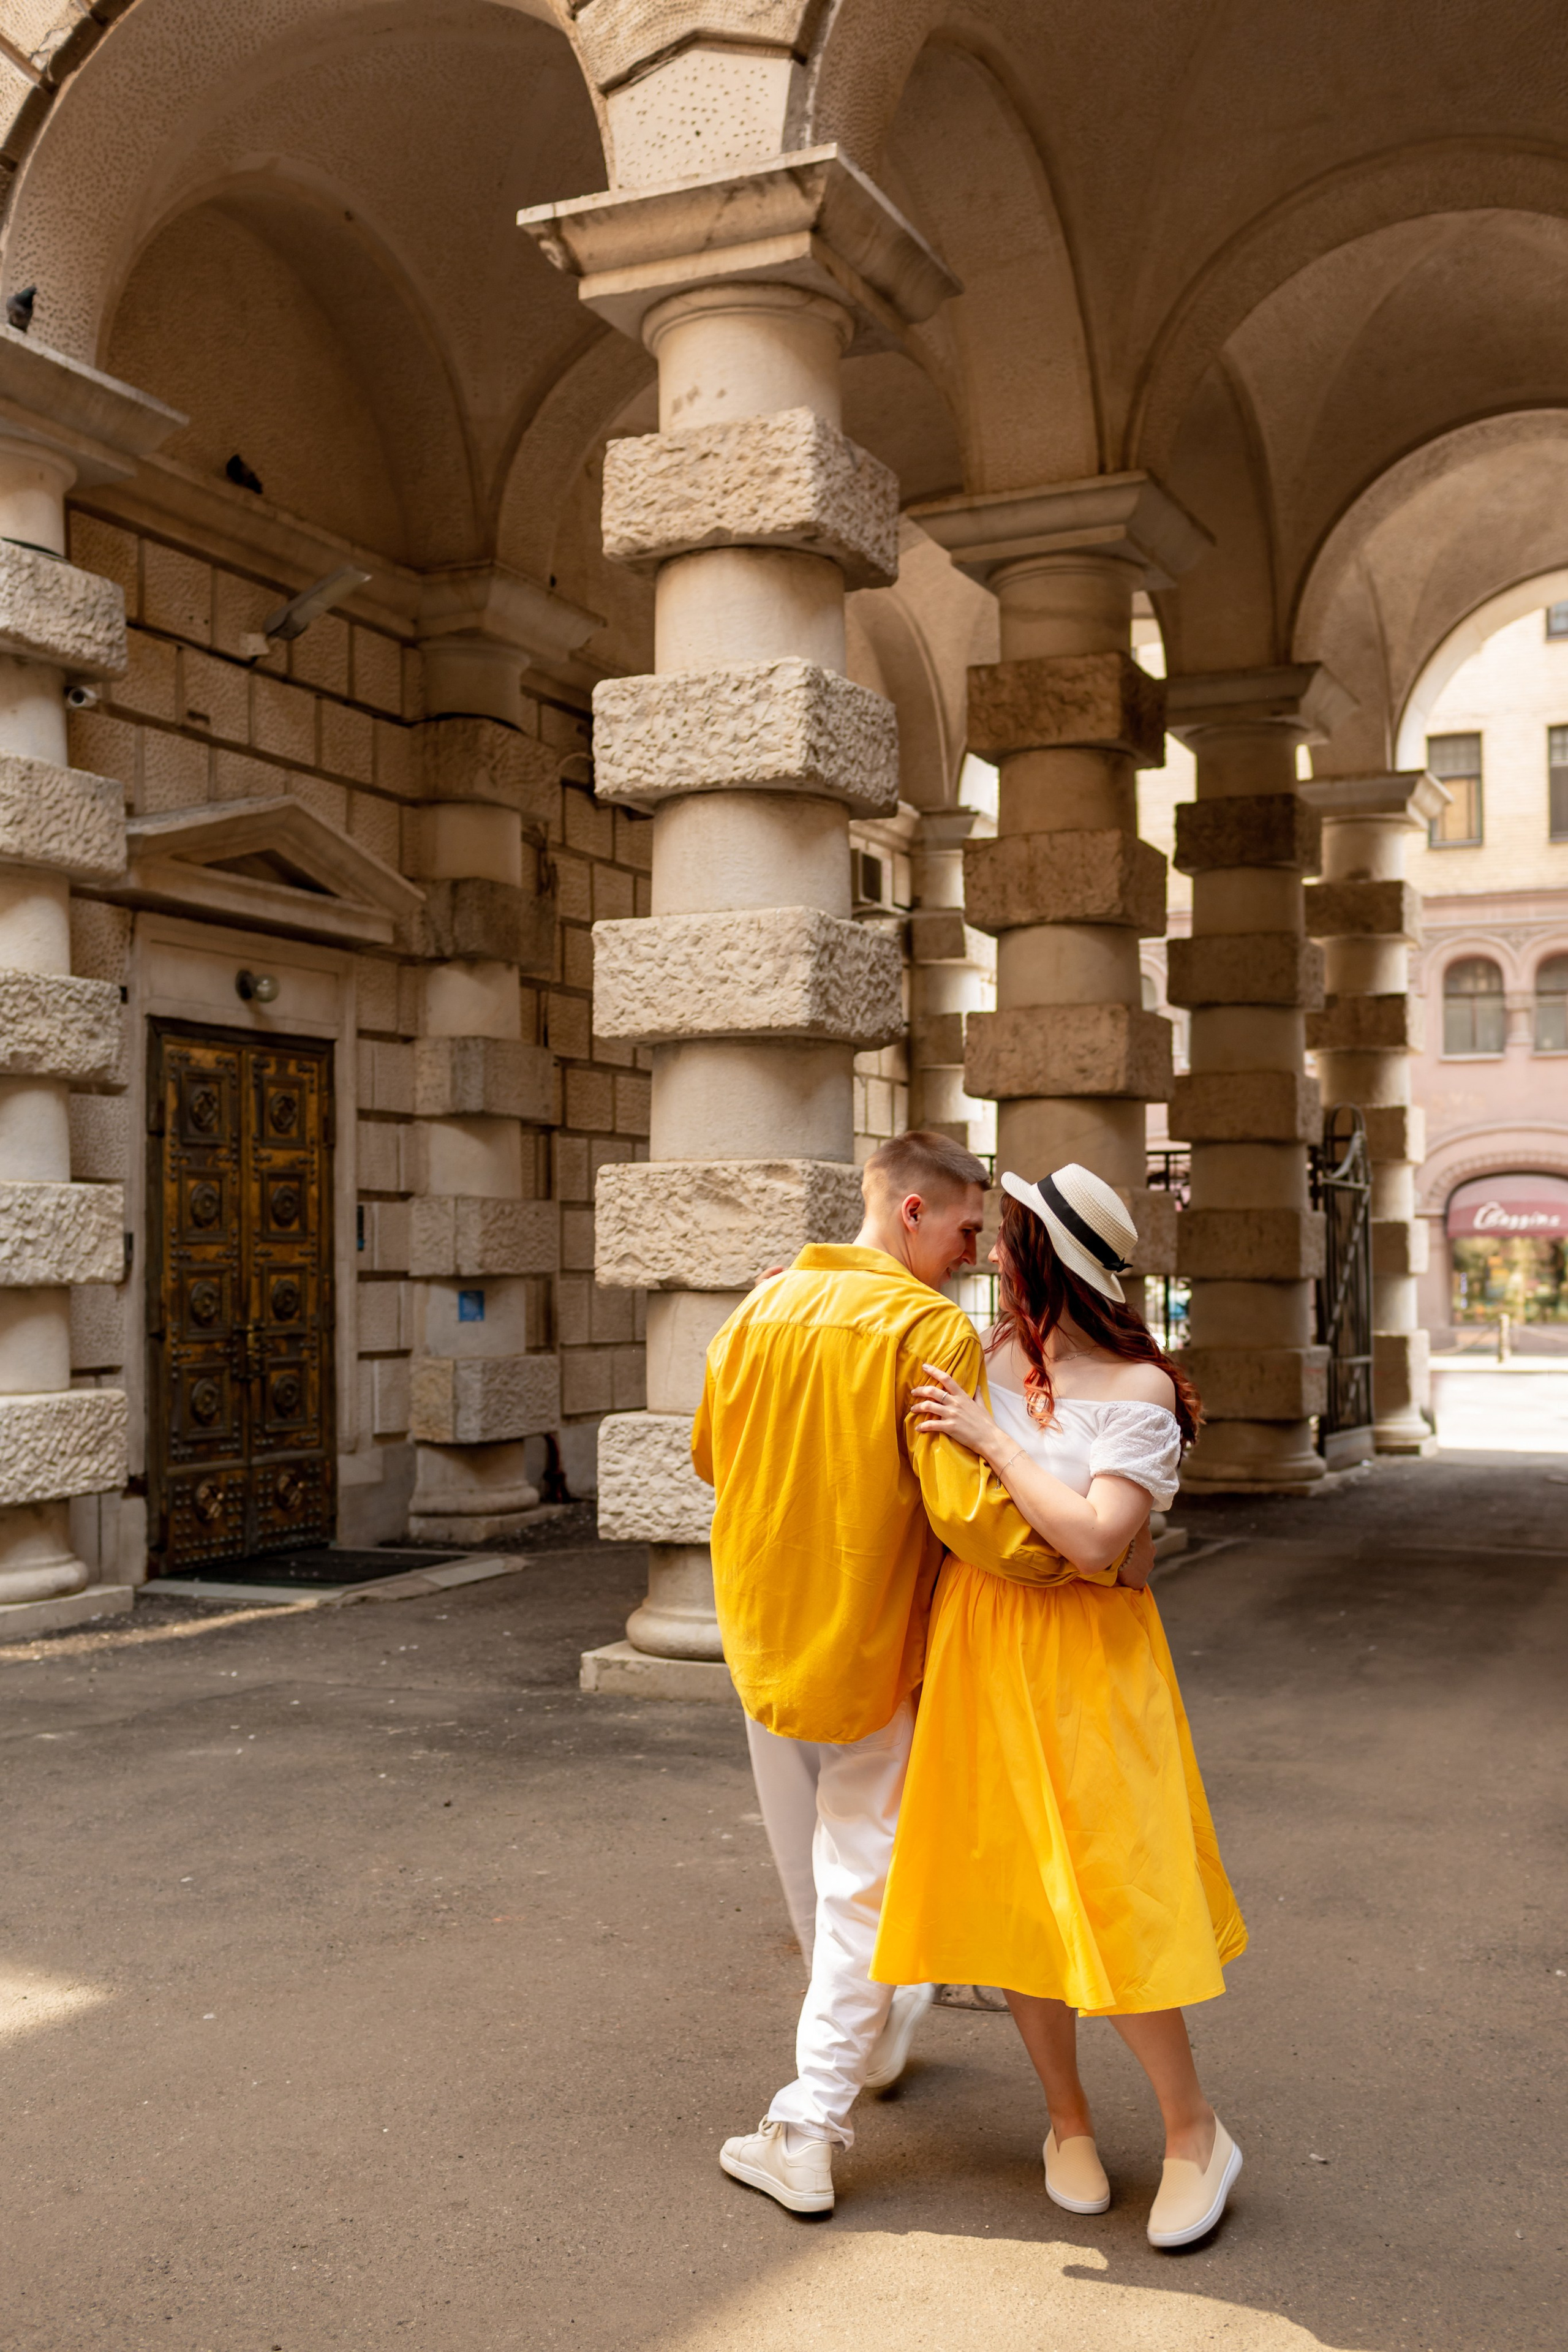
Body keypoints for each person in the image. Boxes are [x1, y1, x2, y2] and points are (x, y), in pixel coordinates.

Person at [690, 1133, 1150, 2218]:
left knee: (817, 1881)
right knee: (856, 1882)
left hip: (761, 1631)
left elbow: (712, 1452)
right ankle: (811, 2118)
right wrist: (1089, 1560)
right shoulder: (923, 1325)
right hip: (874, 1637)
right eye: (961, 1230)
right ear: (909, 1215)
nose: (971, 1253)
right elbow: (967, 1514)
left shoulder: (757, 1309)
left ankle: (862, 2045)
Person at [872, 1163, 1248, 2249]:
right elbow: (875, 1342)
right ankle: (1066, 2124)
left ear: (1041, 1258)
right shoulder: (980, 1354)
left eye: (1007, 1242)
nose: (988, 1254)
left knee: (1113, 1894)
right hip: (982, 1641)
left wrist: (993, 1443)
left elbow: (1092, 1541)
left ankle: (1193, 2134)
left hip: (1090, 1663)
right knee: (1015, 1896)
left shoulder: (1140, 1395)